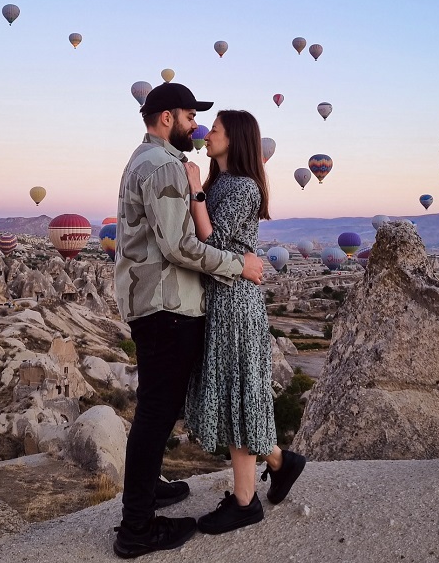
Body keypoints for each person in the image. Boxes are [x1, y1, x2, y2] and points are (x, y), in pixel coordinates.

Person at [113, 83, 264, 559]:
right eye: (188, 117)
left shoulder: (148, 160)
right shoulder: (162, 167)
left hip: (154, 303)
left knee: (154, 409)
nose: (195, 125)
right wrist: (240, 265)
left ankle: (150, 491)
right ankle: (136, 528)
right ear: (165, 118)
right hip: (167, 306)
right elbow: (181, 247)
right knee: (156, 414)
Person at [184, 109, 306, 534]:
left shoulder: (243, 187)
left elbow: (211, 242)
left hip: (234, 303)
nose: (206, 133)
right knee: (237, 393)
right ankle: (280, 462)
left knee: (238, 394)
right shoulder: (223, 183)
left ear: (234, 138)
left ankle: (245, 502)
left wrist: (195, 190)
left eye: (214, 129)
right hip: (220, 298)